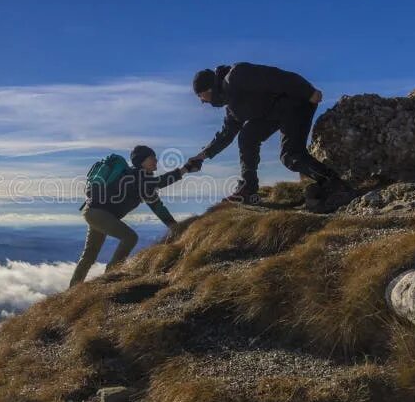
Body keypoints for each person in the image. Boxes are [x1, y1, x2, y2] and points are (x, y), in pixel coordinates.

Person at [188, 62, 353, 209]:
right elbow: (226, 134)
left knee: (290, 156)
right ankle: (248, 188)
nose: (203, 101)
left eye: (201, 96)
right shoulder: (232, 107)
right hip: (274, 113)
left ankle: (336, 184)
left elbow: (278, 77)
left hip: (296, 103)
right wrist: (202, 156)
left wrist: (308, 91)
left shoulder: (237, 75)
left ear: (209, 89)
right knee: (247, 136)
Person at [69, 145, 199, 287]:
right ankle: (110, 276)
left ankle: (72, 289)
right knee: (130, 238)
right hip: (99, 214)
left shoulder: (142, 181)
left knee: (89, 255)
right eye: (152, 157)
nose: (156, 160)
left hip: (93, 212)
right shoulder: (137, 176)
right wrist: (185, 169)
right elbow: (160, 183)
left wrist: (173, 226)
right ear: (142, 161)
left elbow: (157, 205)